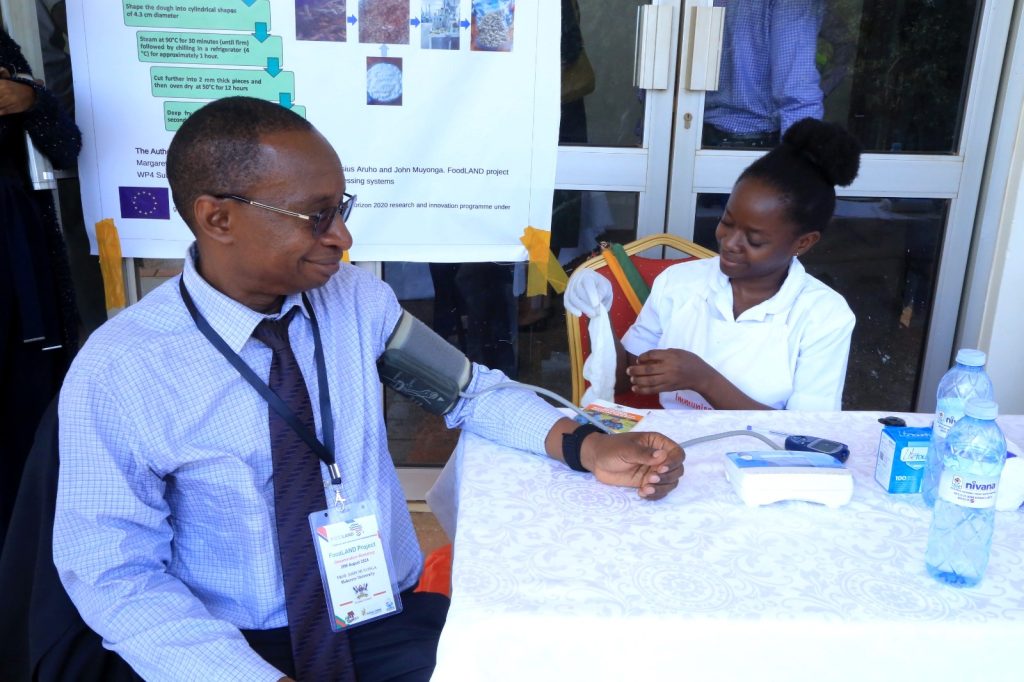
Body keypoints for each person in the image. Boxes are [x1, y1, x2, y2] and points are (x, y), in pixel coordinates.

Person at [53, 96, 684, 682]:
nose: (342, 238)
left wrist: (586, 446)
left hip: (380, 619)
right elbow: (113, 570)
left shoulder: (357, 302)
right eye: (315, 217)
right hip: (229, 645)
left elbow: (468, 393)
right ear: (218, 219)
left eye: (341, 209)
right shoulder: (122, 368)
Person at [566, 118, 860, 411]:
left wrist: (703, 379)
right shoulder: (679, 283)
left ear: (803, 243)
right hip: (670, 446)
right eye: (727, 222)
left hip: (766, 455)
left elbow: (805, 434)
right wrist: (598, 313)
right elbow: (624, 379)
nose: (730, 242)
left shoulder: (823, 315)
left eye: (754, 239)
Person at [0, 27, 81, 550]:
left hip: (17, 254)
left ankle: (23, 557)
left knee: (26, 404)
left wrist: (30, 99)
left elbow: (65, 146)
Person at [702, 0, 825, 148]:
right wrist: (801, 163)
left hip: (692, 133)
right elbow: (798, 98)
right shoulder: (795, 4)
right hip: (752, 145)